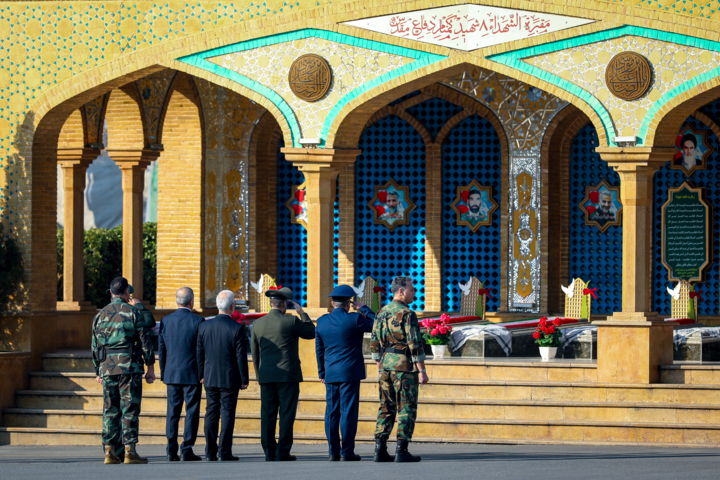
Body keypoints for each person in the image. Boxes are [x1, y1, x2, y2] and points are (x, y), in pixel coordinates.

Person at [92, 276, 156, 465]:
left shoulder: (100, 315)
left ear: (111, 293)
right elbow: (145, 342)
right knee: (129, 409)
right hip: (130, 367)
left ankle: (109, 452)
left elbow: (95, 346)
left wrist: (98, 370)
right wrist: (150, 367)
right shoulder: (134, 311)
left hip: (108, 368)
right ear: (127, 292)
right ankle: (129, 451)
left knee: (110, 409)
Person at [251, 287, 315, 461]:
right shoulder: (291, 321)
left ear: (270, 304)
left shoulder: (257, 324)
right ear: (284, 304)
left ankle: (269, 451)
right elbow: (311, 333)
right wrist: (302, 314)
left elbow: (255, 353)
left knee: (267, 414)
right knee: (287, 413)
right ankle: (283, 451)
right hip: (288, 375)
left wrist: (259, 375)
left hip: (266, 376)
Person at [369, 276, 429, 463]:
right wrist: (422, 370)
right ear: (401, 291)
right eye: (411, 289)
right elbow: (414, 343)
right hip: (403, 367)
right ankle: (401, 450)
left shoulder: (381, 312)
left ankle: (380, 449)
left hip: (386, 366)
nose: (414, 292)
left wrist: (379, 364)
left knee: (385, 407)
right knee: (406, 407)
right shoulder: (407, 313)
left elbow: (373, 342)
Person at [316, 285, 375, 462]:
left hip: (330, 372)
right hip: (350, 372)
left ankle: (333, 451)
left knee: (332, 412)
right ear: (349, 303)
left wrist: (321, 372)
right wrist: (364, 308)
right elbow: (376, 325)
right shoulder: (355, 319)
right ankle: (347, 451)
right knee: (348, 411)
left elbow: (319, 349)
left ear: (332, 303)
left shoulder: (321, 321)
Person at [196, 290, 249, 461]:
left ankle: (210, 452)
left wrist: (201, 374)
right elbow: (241, 356)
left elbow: (199, 353)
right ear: (232, 306)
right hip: (229, 377)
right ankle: (224, 451)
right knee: (227, 413)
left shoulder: (204, 325)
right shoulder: (237, 327)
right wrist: (244, 379)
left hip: (210, 376)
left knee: (211, 412)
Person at [158, 287, 204, 462]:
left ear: (177, 301)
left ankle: (171, 450)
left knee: (172, 412)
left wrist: (164, 372)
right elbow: (201, 350)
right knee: (191, 412)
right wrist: (202, 372)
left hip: (172, 373)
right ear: (191, 302)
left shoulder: (165, 321)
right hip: (192, 373)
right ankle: (187, 449)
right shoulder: (198, 321)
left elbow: (161, 350)